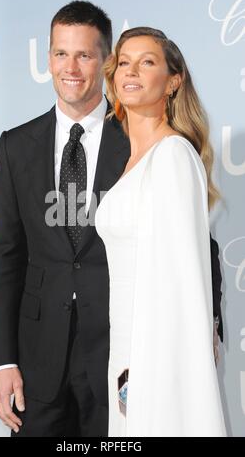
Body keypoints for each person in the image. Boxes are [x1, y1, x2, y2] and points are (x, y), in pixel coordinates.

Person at [0, 0, 223, 437]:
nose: (71, 67)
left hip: (119, 353)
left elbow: (194, 242)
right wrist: (4, 360)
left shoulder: (141, 139)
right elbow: (5, 256)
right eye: (61, 53)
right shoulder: (15, 146)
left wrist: (207, 326)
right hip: (39, 360)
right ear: (48, 60)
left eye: (85, 55)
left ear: (104, 62)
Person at [95, 26, 227, 437]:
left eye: (147, 62)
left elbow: (180, 284)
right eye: (124, 62)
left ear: (173, 81)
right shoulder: (133, 159)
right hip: (127, 349)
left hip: (153, 358)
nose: (131, 71)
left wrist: (147, 372)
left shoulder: (171, 156)